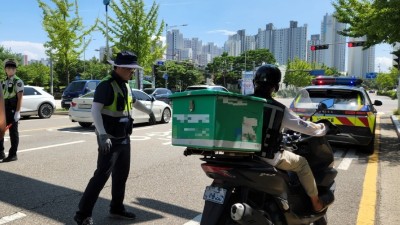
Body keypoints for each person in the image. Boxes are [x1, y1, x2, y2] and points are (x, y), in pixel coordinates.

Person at [74, 51, 156, 225]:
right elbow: (95, 110)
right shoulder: (106, 85)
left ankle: (116, 208)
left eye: (133, 69)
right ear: (118, 67)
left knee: (121, 175)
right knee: (101, 177)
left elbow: (133, 102)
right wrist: (102, 135)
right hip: (109, 138)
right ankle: (82, 215)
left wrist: (149, 112)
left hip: (124, 136)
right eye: (129, 69)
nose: (132, 72)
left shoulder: (125, 84)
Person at [253, 64, 333, 213]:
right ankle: (315, 203)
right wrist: (323, 128)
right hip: (267, 156)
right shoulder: (279, 109)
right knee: (302, 163)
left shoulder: (241, 102)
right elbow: (304, 126)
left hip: (240, 154)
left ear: (254, 83)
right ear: (275, 87)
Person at [0, 59, 24, 162]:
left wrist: (18, 112)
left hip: (12, 109)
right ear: (5, 69)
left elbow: (20, 98)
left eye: (13, 68)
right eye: (8, 68)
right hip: (3, 109)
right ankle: (0, 153)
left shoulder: (17, 81)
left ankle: (13, 154)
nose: (10, 70)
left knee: (13, 132)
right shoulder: (3, 81)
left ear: (15, 70)